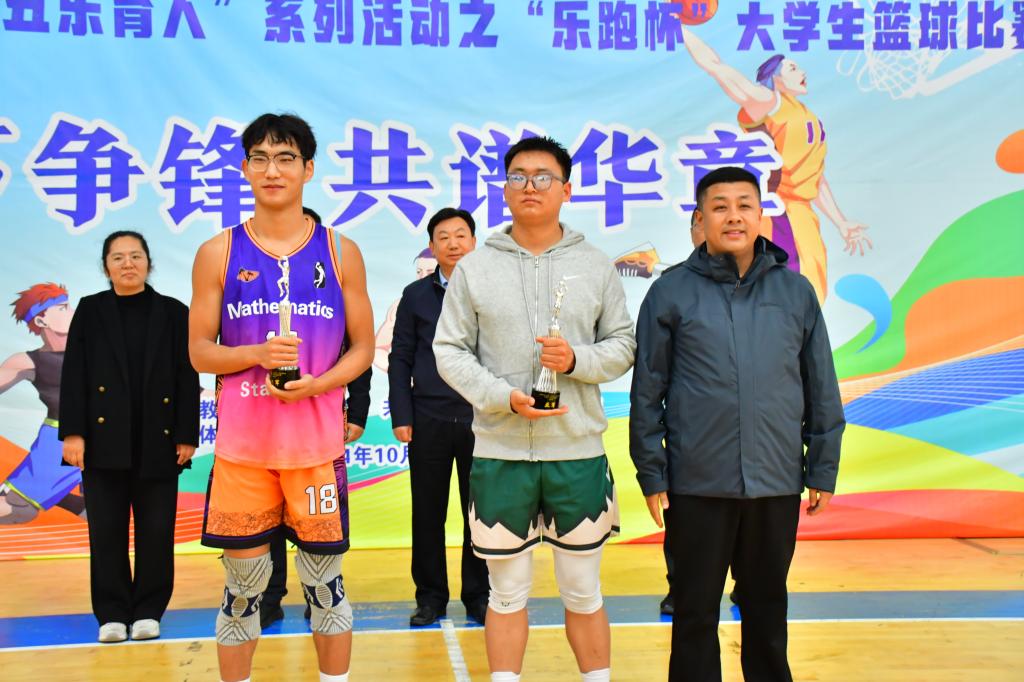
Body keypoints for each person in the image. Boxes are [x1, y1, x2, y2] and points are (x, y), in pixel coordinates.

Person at [630, 167, 845, 681]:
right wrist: (653, 474)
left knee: (768, 609)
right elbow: (648, 391)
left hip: (775, 480)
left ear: (760, 214)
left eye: (744, 205)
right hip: (697, 482)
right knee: (694, 612)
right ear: (700, 219)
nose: (733, 216)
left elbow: (820, 384)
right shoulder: (670, 292)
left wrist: (822, 466)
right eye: (720, 206)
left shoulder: (794, 292)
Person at [434, 136, 636, 682]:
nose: (530, 186)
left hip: (577, 452)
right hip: (500, 453)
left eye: (544, 176)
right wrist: (502, 396)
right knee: (505, 594)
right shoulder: (475, 267)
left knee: (583, 589)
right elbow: (448, 351)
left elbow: (623, 345)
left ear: (566, 190)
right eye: (518, 176)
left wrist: (575, 360)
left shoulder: (595, 265)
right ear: (504, 189)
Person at [190, 113, 373, 682]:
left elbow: (364, 348)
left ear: (308, 169)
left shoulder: (340, 250)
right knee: (242, 593)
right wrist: (256, 354)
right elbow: (199, 353)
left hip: (316, 451)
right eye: (261, 158)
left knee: (325, 588)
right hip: (243, 454)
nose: (273, 170)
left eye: (286, 158)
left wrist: (320, 383)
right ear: (245, 168)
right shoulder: (218, 251)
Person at [58, 231, 200, 644]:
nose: (127, 264)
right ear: (106, 266)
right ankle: (112, 614)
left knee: (157, 531)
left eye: (135, 256)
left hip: (159, 439)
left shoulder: (173, 312)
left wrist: (187, 434)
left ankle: (149, 611)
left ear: (149, 263)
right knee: (106, 532)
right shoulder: (91, 310)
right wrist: (73, 433)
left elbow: (186, 376)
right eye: (117, 257)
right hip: (102, 442)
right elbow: (75, 375)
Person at [682, 28, 871, 303]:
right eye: (792, 68)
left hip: (802, 214)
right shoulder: (766, 101)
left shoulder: (805, 115)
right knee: (777, 292)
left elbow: (814, 178)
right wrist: (681, 28)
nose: (801, 71)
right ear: (775, 79)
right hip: (777, 213)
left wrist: (840, 221)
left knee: (813, 288)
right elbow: (716, 66)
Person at [260, 208, 373, 630]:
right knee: (267, 522)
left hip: (319, 429)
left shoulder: (335, 286)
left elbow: (358, 352)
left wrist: (356, 412)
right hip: (263, 431)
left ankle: (319, 597)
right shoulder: (257, 292)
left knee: (319, 524)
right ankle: (269, 597)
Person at [388, 207, 487, 627]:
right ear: (432, 246)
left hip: (481, 418)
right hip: (427, 416)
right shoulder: (415, 296)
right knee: (427, 513)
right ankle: (430, 597)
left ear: (474, 242)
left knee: (479, 512)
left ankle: (479, 595)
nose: (453, 243)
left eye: (460, 235)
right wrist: (401, 413)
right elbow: (400, 357)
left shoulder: (490, 289)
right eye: (443, 237)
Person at [0, 283, 84, 524]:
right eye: (62, 308)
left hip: (105, 436)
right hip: (60, 440)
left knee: (104, 507)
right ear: (41, 321)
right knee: (20, 509)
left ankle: (64, 499)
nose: (72, 312)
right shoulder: (28, 361)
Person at [658, 210, 705, 616]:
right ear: (694, 231)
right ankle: (680, 588)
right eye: (704, 221)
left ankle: (746, 586)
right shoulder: (672, 286)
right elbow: (655, 371)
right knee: (683, 525)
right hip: (689, 436)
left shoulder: (778, 286)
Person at [373, 248, 437, 372]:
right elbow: (378, 349)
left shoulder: (462, 302)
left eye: (430, 272)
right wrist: (403, 373)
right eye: (419, 272)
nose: (422, 277)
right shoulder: (402, 304)